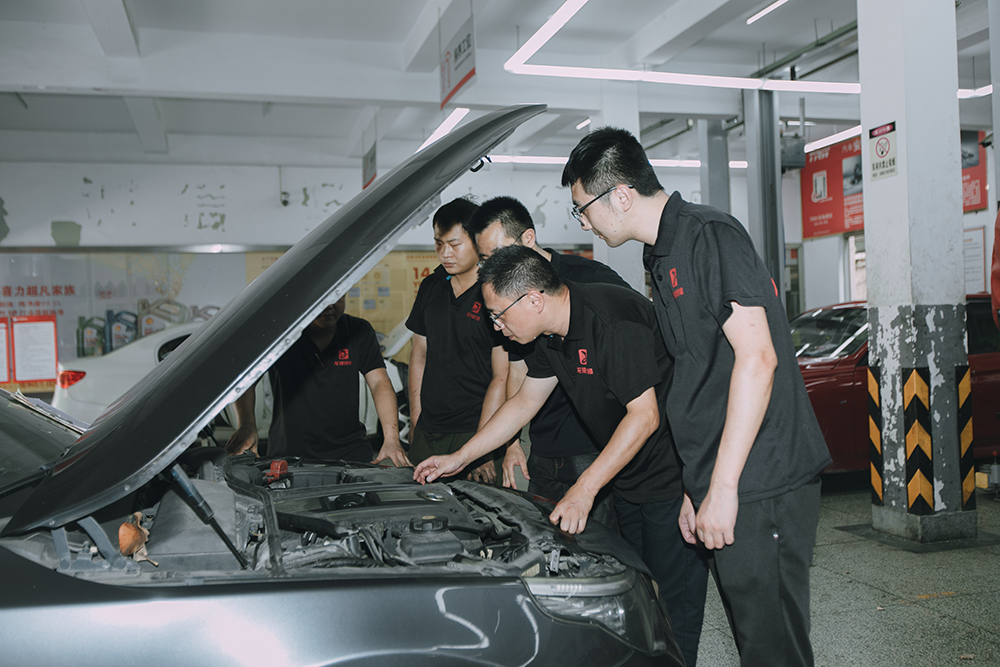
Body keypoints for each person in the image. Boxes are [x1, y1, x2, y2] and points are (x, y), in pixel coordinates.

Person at [562, 126, 832, 667]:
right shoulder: (660, 256)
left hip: (763, 478)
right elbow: (700, 375)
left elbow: (757, 358)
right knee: (753, 639)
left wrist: (724, 487)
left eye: (582, 208)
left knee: (773, 645)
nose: (583, 222)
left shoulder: (710, 235)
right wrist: (698, 485)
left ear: (620, 195)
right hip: (725, 476)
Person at [413, 245, 707, 666]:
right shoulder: (551, 337)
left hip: (672, 480)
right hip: (626, 478)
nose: (496, 327)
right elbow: (523, 402)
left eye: (499, 315)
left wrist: (584, 489)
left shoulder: (611, 319)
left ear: (534, 300)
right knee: (640, 594)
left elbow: (644, 417)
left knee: (675, 607)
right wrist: (460, 457)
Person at [465, 195, 630, 531]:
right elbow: (517, 373)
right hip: (542, 445)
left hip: (593, 446)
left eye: (498, 254)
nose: (493, 267)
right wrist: (513, 444)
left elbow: (634, 357)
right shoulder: (502, 299)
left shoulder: (590, 279)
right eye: (484, 260)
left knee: (600, 545)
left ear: (528, 238)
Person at [225, 295, 410, 467]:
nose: (329, 306)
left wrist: (391, 438)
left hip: (352, 456)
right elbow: (246, 380)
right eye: (323, 298)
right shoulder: (281, 334)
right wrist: (247, 425)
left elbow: (379, 383)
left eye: (337, 297)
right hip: (289, 457)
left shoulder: (358, 331)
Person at [406, 198, 508, 483]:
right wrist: (416, 419)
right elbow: (419, 354)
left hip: (475, 429)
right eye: (438, 244)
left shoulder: (495, 292)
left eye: (454, 244)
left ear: (476, 241)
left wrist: (482, 447)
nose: (445, 253)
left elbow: (501, 376)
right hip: (429, 429)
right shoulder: (430, 287)